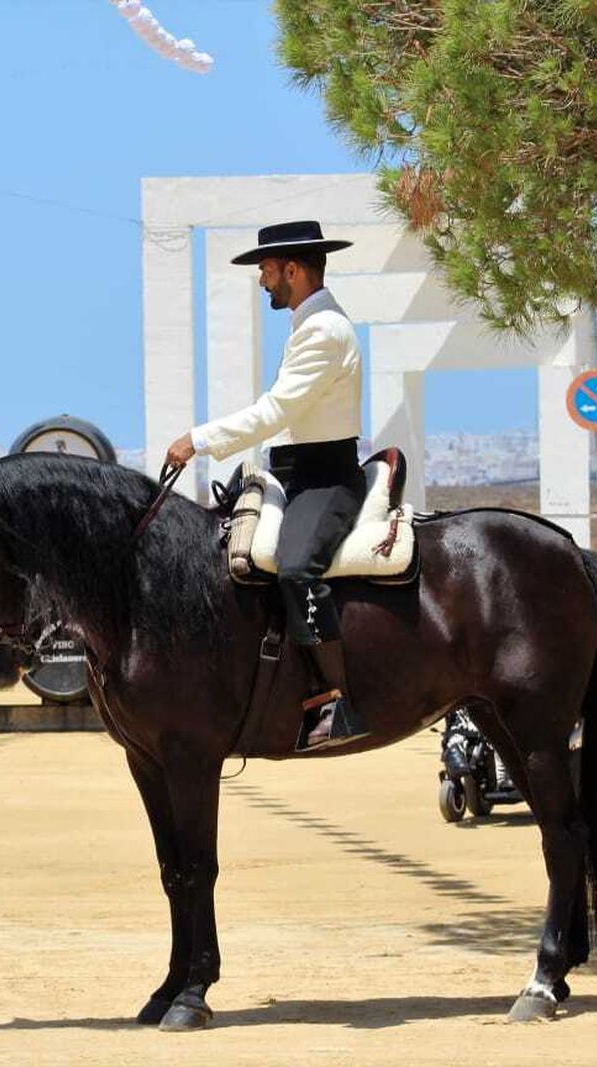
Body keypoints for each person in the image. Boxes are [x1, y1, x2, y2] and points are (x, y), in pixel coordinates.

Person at [166, 220, 366, 752]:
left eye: (266, 269)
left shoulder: (324, 332)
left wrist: (197, 439)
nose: (261, 280)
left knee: (297, 569)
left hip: (325, 478)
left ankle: (336, 700)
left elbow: (276, 411)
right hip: (296, 472)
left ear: (293, 270)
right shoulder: (309, 324)